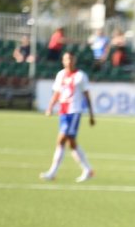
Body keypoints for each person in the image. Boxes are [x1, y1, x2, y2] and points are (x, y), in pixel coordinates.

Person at [41, 51, 95, 183]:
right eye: (66, 59)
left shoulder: (80, 76)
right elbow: (57, 93)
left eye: (71, 59)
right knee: (71, 143)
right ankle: (87, 169)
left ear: (74, 60)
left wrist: (91, 114)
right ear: (63, 61)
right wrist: (50, 107)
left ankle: (52, 172)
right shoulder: (60, 75)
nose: (69, 61)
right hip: (63, 112)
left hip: (74, 112)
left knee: (61, 140)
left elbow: (87, 95)